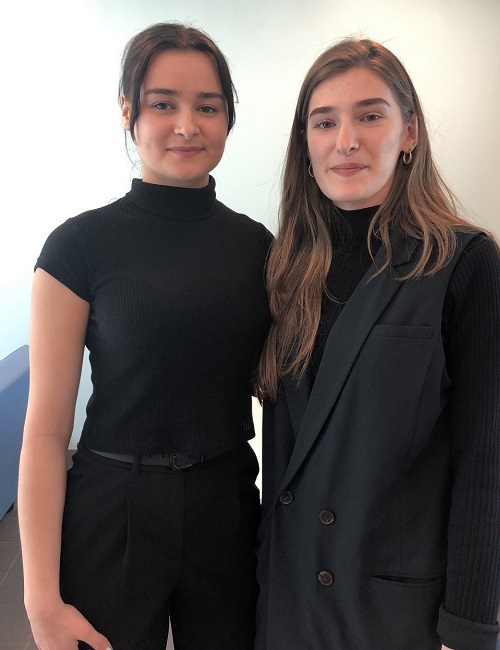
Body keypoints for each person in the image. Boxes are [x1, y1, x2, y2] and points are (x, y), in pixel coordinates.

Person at [18, 22, 272, 650]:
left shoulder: (259, 249)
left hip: (226, 505)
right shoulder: (77, 247)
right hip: (113, 506)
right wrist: (40, 599)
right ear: (128, 111)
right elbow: (45, 434)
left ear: (229, 118)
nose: (187, 125)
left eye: (208, 107)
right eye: (163, 104)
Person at [254, 37, 500, 650]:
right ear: (305, 144)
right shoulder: (286, 266)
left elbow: (483, 466)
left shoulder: (464, 262)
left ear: (410, 132)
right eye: (325, 122)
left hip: (392, 607)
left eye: (369, 116)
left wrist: (468, 628)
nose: (346, 140)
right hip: (289, 593)